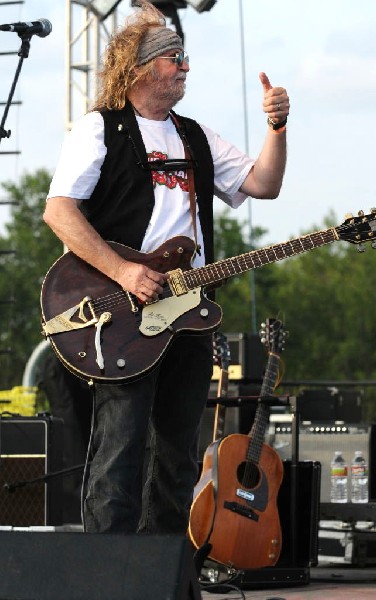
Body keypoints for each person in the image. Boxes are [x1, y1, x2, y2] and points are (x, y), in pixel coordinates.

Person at [43, 0, 290, 535]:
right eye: (174, 57)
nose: (184, 67)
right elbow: (58, 211)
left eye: (184, 58)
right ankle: (110, 579)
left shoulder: (195, 136)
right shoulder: (100, 129)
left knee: (179, 457)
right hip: (125, 317)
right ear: (139, 68)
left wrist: (277, 125)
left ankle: (165, 577)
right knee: (120, 452)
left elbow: (265, 185)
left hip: (189, 313)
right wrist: (125, 272)